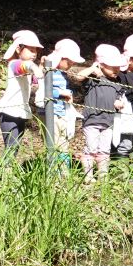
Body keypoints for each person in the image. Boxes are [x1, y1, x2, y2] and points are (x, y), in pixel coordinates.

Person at [79, 44, 127, 183]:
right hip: (92, 119)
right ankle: (88, 176)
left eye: (118, 67)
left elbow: (119, 96)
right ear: (101, 64)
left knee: (105, 150)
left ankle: (103, 176)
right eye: (113, 66)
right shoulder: (93, 79)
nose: (116, 70)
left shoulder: (117, 82)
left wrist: (119, 102)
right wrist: (93, 69)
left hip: (109, 121)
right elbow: (78, 77)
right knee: (91, 148)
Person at [0, 30, 44, 156]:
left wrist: (41, 66)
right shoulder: (14, 64)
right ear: (18, 49)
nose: (34, 53)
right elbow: (25, 66)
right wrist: (34, 67)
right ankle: (6, 173)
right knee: (11, 147)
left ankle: (8, 173)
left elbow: (37, 78)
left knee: (15, 148)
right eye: (31, 49)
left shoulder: (27, 67)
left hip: (21, 111)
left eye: (36, 50)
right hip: (9, 111)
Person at [41, 39, 85, 170]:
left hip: (61, 112)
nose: (71, 64)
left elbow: (64, 89)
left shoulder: (62, 74)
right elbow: (46, 90)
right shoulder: (50, 71)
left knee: (64, 144)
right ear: (60, 58)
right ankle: (53, 172)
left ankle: (63, 172)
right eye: (69, 62)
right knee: (54, 144)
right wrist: (61, 93)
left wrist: (68, 93)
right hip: (51, 112)